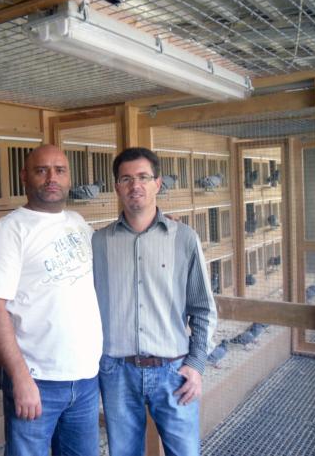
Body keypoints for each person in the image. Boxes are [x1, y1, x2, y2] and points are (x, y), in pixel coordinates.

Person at [0, 144, 103, 456]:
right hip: (37, 380)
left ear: (69, 178)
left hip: (85, 379)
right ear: (24, 176)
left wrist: (156, 224)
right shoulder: (9, 230)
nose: (52, 178)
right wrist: (20, 378)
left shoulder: (77, 222)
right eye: (41, 170)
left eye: (59, 170)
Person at [92, 147, 217, 456]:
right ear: (117, 187)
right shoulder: (98, 242)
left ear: (158, 183)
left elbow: (202, 308)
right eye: (126, 178)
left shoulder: (184, 238)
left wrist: (196, 365)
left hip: (173, 371)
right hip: (117, 371)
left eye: (144, 177)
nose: (135, 185)